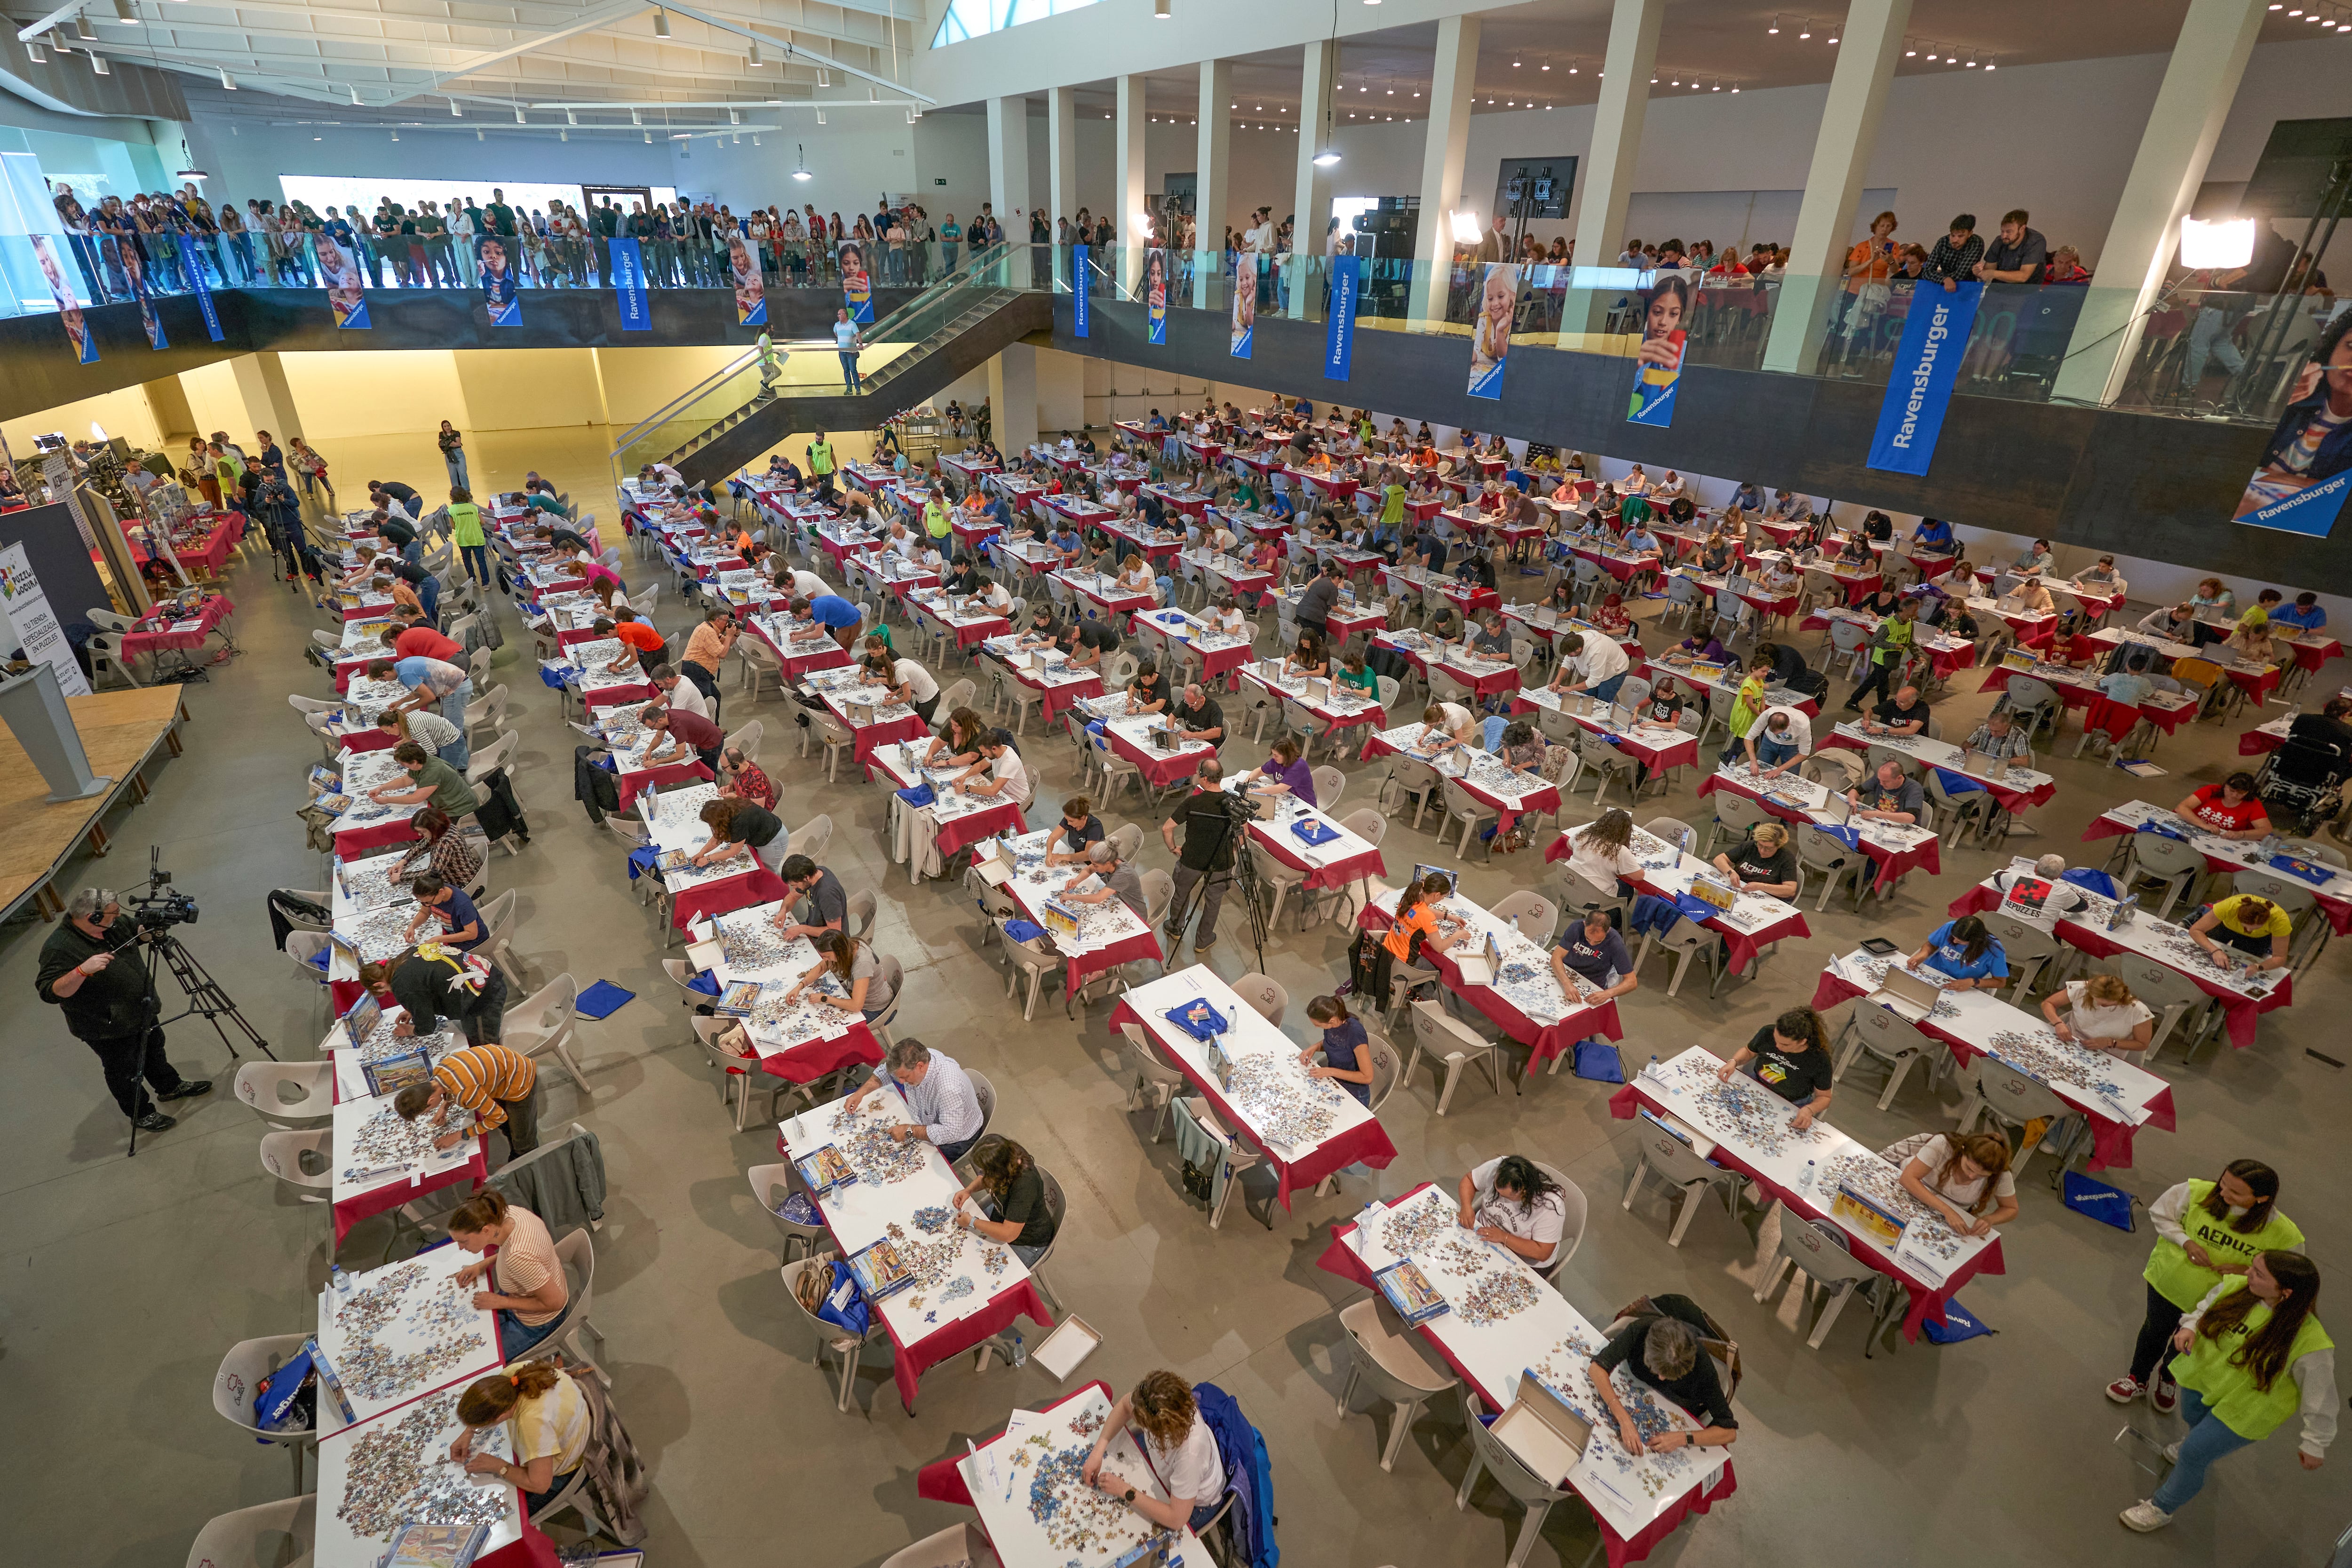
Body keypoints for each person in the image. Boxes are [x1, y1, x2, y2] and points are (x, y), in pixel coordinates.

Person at [2122, 1250, 2334, 1531]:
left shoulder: (2311, 1343)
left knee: (2194, 1455)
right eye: (2253, 1267)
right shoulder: (2236, 1288)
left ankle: (2162, 1508)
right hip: (2206, 1381)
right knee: (2193, 1417)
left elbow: (2321, 1396)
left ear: (2285, 1292)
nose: (2247, 1273)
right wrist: (2190, 1329)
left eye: (2258, 1274)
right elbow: (2204, 1309)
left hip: (2248, 1410)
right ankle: (2196, 1441)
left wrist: (2315, 1442)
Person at [2111, 1160, 2304, 1414]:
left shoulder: (2285, 1236)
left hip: (2221, 1302)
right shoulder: (2196, 1192)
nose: (2223, 1194)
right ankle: (2137, 1377)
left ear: (2261, 1199)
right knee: (2154, 1331)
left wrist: (2246, 1272)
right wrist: (2186, 1243)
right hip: (2170, 1283)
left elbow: (2289, 1277)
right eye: (2223, 1184)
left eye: (2235, 1192)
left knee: (2189, 1345)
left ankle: (2169, 1377)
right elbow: (2161, 1214)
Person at [35, 887, 212, 1134]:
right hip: (106, 1026)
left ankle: (169, 1087)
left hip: (141, 1008)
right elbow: (50, 992)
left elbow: (137, 934)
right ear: (93, 918)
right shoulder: (60, 948)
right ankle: (141, 1114)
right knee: (125, 1071)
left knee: (154, 1049)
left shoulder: (113, 925)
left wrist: (150, 929)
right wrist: (81, 971)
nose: (119, 916)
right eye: (114, 913)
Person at [1586, 1297, 1740, 1454]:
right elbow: (1597, 1368)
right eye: (1655, 1370)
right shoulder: (1641, 1329)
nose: (1661, 1379)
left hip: (1675, 1416)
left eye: (1671, 1376)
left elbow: (1729, 1432)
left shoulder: (1701, 1365)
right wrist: (1623, 1418)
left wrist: (1682, 1438)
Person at [1080, 1371, 1228, 1532]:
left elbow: (1176, 1519)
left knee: (1134, 1530)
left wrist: (1125, 1490)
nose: (1135, 1418)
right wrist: (1098, 1451)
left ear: (1162, 1429)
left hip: (1196, 1506)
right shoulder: (1156, 1399)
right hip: (1168, 1467)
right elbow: (1124, 1407)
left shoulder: (1191, 1455)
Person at [447, 1361, 592, 1517]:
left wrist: (499, 1466)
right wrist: (469, 1431)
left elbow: (540, 1485)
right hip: (578, 1416)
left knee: (504, 1517)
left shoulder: (531, 1423)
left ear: (501, 1416)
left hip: (573, 1466)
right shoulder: (512, 1375)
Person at [446, 1188, 569, 1359]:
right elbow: (519, 1253)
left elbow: (556, 1302)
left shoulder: (519, 1258)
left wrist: (501, 1301)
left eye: (463, 1241)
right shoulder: (510, 1214)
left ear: (486, 1230)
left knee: (479, 1358)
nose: (460, 1247)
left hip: (538, 1321)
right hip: (529, 1290)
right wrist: (483, 1264)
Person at [391, 1037, 538, 1154]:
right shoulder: (440, 1070)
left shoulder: (466, 1093)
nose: (429, 1112)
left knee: (523, 1143)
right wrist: (444, 1106)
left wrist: (457, 1136)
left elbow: (499, 1117)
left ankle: (527, 1163)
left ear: (430, 1101)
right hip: (505, 1065)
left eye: (427, 1111)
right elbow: (454, 1084)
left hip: (521, 1080)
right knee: (508, 1128)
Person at [846, 1038, 984, 1161]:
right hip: (928, 1120)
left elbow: (951, 1133)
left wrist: (909, 1130)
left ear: (920, 1066)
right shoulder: (916, 1059)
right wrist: (860, 1093)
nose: (901, 1081)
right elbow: (886, 1072)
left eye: (905, 1077)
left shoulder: (948, 1089)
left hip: (958, 1141)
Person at [1162, 758, 1239, 953]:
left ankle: (1175, 928)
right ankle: (1203, 941)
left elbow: (1167, 828)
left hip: (1193, 858)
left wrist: (1173, 848)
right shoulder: (1233, 804)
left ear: (1204, 779)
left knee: (1181, 894)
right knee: (1213, 902)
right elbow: (1243, 833)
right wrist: (1233, 851)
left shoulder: (1193, 802)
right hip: (1222, 861)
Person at [1716, 1007, 1835, 1128]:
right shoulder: (1767, 1032)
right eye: (1775, 1039)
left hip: (1791, 1103)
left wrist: (1809, 1109)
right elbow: (1749, 1051)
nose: (1777, 1046)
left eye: (1785, 1044)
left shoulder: (1819, 1059)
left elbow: (1824, 1097)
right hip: (1757, 1085)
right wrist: (1733, 1062)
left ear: (1802, 1042)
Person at [950, 1134, 1059, 1265]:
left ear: (999, 1170)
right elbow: (986, 1175)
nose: (983, 1173)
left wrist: (972, 1221)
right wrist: (968, 1190)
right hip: (1003, 1212)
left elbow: (1009, 1234)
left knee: (978, 1267)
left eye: (987, 1170)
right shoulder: (1008, 1154)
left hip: (1028, 1242)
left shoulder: (1025, 1186)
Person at [1892, 1131, 2018, 1237]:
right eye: (1969, 1168)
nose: (1972, 1176)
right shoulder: (1942, 1145)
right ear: (1963, 1152)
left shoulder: (2001, 1174)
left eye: (1982, 1175)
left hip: (1938, 1219)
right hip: (1902, 1190)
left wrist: (1989, 1220)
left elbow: (2011, 1209)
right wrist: (1947, 1211)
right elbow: (1908, 1179)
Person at [1456, 1154, 1571, 1267]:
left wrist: (1503, 1237)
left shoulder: (1549, 1205)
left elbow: (1542, 1252)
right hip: (1480, 1234)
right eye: (1497, 1191)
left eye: (1506, 1197)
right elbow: (1469, 1180)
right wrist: (1466, 1206)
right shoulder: (1500, 1167)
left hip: (1526, 1262)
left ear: (1524, 1192)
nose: (1499, 1197)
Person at [781, 928, 895, 1023]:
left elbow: (856, 1006)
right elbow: (822, 968)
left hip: (876, 1010)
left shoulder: (862, 964)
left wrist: (825, 998)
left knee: (826, 1025)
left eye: (827, 957)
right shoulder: (848, 945)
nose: (825, 960)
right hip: (856, 996)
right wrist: (800, 986)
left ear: (839, 951)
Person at [2042, 972, 2156, 1056]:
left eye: (2106, 1005)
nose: (2099, 1005)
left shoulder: (2138, 1011)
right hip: (2070, 1042)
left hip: (2106, 1054)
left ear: (2121, 997)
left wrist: (2110, 1042)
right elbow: (2048, 1003)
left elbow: (2142, 1044)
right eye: (2096, 1000)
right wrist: (2058, 1023)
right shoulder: (2082, 989)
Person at [368, 740, 482, 820]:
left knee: (422, 824)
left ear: (414, 762)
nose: (402, 766)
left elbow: (416, 798)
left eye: (404, 764)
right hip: (449, 803)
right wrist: (381, 788)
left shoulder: (433, 772)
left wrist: (388, 800)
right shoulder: (422, 762)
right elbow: (405, 781)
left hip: (459, 810)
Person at [1550, 907, 1640, 1003]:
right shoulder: (1576, 927)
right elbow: (1556, 958)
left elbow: (1632, 982)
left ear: (1608, 931)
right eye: (1588, 939)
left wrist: (1607, 994)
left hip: (1592, 985)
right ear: (1585, 924)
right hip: (1565, 973)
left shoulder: (1615, 943)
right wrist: (1567, 984)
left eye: (1598, 941)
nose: (1592, 944)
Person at [1299, 994, 1375, 1106]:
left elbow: (1368, 1077)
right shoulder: (1333, 1026)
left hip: (1355, 1094)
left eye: (1318, 1025)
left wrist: (1330, 1071)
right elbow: (1336, 1044)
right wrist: (1315, 1047)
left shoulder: (1355, 1033)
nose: (1316, 1027)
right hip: (1334, 1082)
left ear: (1332, 1020)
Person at [2189, 893, 2295, 973]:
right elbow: (2196, 930)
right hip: (2225, 928)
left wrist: (2258, 967)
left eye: (2255, 928)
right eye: (2245, 926)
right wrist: (2215, 950)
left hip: (2257, 939)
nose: (2248, 931)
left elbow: (2280, 958)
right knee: (2205, 954)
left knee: (2243, 968)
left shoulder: (2280, 920)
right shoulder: (2229, 906)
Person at [1845, 601, 1918, 711]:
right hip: (1881, 659)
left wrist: (1918, 656)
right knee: (1884, 688)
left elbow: (1910, 642)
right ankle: (1885, 711)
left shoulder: (1909, 623)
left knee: (1871, 682)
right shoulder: (1889, 624)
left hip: (1892, 659)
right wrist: (1893, 645)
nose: (1916, 613)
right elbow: (1875, 640)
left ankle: (1853, 701)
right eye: (1914, 609)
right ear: (1905, 609)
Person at [690, 794, 789, 875]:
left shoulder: (739, 821)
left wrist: (708, 859)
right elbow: (717, 837)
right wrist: (701, 853)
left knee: (768, 872)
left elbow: (734, 851)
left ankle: (774, 897)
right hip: (762, 834)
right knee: (762, 869)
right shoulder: (728, 809)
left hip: (774, 840)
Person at [1905, 915, 2008, 990]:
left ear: (1975, 941)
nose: (1954, 942)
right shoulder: (1949, 927)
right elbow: (1932, 944)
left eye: (1960, 941)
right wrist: (1924, 954)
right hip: (1930, 973)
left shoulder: (1995, 950)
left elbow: (2000, 982)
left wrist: (1973, 982)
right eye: (1953, 938)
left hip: (1959, 986)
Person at [394, 805, 485, 890]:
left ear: (434, 828)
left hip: (462, 883)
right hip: (467, 872)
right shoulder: (446, 827)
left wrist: (402, 877)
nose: (420, 835)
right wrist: (404, 861)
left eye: (423, 832)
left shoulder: (445, 842)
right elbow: (422, 847)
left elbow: (432, 873)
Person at [1059, 841, 1147, 919]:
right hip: (1120, 903)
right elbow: (1090, 869)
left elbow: (1097, 898)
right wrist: (1077, 880)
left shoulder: (1122, 875)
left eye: (1096, 865)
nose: (1094, 867)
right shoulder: (1111, 858)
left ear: (1107, 863)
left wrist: (1071, 897)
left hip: (1135, 915)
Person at [1714, 821, 1799, 899]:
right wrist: (1731, 872)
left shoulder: (1786, 858)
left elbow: (1790, 890)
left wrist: (1762, 887)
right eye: (1760, 845)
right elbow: (1719, 859)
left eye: (1768, 848)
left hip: (1764, 896)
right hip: (1739, 890)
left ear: (1779, 846)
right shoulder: (1750, 846)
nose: (1762, 851)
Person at [403, 873, 485, 951]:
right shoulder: (434, 891)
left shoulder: (462, 904)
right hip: (451, 934)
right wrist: (413, 926)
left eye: (429, 902)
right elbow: (425, 913)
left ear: (441, 892)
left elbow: (472, 934)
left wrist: (439, 939)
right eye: (423, 902)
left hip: (473, 942)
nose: (427, 905)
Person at [2176, 773, 2272, 840]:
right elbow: (2182, 808)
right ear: (2225, 785)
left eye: (2241, 793)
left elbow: (2266, 830)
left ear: (2248, 793)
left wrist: (2241, 834)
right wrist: (2204, 825)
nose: (2234, 796)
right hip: (2193, 829)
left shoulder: (2253, 804)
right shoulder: (2211, 790)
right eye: (2231, 791)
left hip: (2222, 840)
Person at [641, 702, 724, 774]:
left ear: (659, 721)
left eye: (652, 727)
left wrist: (657, 762)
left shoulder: (678, 726)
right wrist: (649, 750)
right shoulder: (665, 715)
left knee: (708, 772)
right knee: (705, 767)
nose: (652, 729)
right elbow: (659, 737)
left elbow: (680, 755)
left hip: (712, 742)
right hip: (704, 739)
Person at [1738, 706, 1812, 776]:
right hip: (1769, 741)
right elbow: (1749, 738)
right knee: (1760, 771)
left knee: (1791, 775)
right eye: (1773, 732)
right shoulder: (1767, 715)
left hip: (1792, 746)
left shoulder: (1802, 724)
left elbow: (1804, 753)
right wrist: (1753, 761)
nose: (1776, 735)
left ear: (1788, 725)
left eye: (1779, 733)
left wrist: (1779, 770)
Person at [1848, 759, 1924, 826]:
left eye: (1885, 782)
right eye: (1880, 780)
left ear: (1899, 778)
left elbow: (1910, 818)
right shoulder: (1881, 778)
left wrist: (1878, 814)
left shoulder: (1914, 788)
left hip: (1902, 826)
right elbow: (1855, 791)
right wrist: (1852, 801)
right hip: (1880, 821)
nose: (1881, 783)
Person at [1042, 797, 1107, 866]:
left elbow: (1088, 855)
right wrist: (1049, 853)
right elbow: (1053, 837)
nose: (1068, 823)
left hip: (1097, 864)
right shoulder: (1069, 819)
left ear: (1083, 818)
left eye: (1071, 821)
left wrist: (1062, 857)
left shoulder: (1095, 827)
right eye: (1067, 820)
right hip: (1079, 861)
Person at [1251, 736, 1315, 805]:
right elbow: (1260, 771)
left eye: (1276, 755)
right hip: (1286, 797)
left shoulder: (1299, 766)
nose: (1273, 758)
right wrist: (1245, 783)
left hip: (1303, 803)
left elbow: (1281, 788)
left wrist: (1253, 792)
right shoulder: (1276, 761)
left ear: (1286, 755)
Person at [1963, 708, 2034, 765]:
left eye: (1998, 731)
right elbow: (1967, 743)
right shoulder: (1984, 728)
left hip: (2004, 769)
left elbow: (2024, 761)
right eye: (1991, 730)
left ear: (2008, 726)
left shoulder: (2020, 736)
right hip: (1981, 765)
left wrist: (1998, 762)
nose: (1993, 734)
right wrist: (1968, 749)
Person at [1862, 684, 1931, 740]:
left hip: (1914, 740)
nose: (1897, 704)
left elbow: (1911, 731)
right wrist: (1867, 720)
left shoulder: (1922, 708)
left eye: (1901, 702)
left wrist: (1883, 730)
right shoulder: (1892, 703)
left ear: (1913, 701)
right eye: (1897, 699)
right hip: (1887, 739)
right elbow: (1869, 711)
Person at [833, 308, 865, 392]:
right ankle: (849, 388)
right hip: (842, 352)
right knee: (846, 370)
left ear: (845, 315)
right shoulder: (837, 325)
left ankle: (858, 389)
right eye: (838, 314)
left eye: (840, 314)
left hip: (851, 352)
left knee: (853, 369)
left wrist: (860, 344)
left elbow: (857, 334)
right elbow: (836, 333)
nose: (839, 316)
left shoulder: (852, 324)